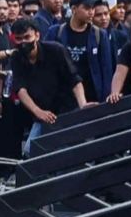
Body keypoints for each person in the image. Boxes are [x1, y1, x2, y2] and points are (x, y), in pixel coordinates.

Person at [8, 17, 86, 157]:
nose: (23, 42)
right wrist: (38, 111)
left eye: (27, 37)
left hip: (66, 110)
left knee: (64, 152)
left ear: (37, 35)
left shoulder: (56, 50)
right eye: (19, 39)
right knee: (30, 151)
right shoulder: (17, 57)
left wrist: (83, 105)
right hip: (43, 113)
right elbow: (20, 89)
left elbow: (74, 80)